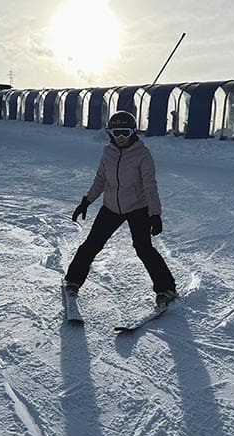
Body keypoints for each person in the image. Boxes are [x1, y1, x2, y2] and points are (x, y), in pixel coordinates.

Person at [63, 110, 178, 307]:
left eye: (125, 132)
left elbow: (150, 185)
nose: (121, 137)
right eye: (117, 133)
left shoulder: (143, 155)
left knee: (144, 249)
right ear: (110, 134)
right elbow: (100, 180)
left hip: (137, 207)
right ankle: (73, 281)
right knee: (91, 244)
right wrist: (86, 201)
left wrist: (155, 213)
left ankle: (166, 288)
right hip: (111, 207)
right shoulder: (108, 152)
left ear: (133, 132)